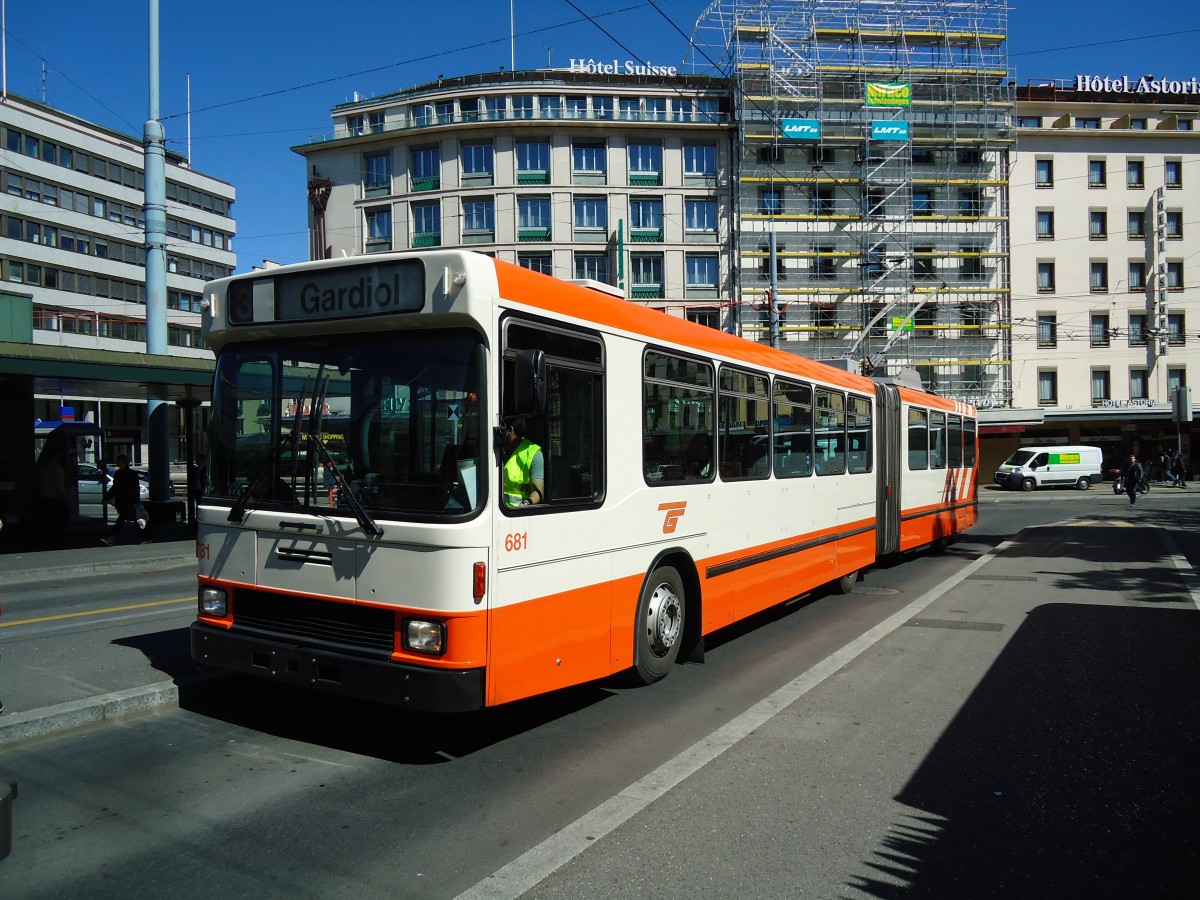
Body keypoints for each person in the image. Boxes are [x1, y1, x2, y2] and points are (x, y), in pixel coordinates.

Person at [502, 418, 544, 507]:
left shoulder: (534, 453)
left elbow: (539, 492)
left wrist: (525, 503)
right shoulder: (499, 451)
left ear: (510, 430)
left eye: (502, 431)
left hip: (517, 512)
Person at [103, 455, 145, 545]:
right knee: (137, 521)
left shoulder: (131, 474)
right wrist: (107, 498)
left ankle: (111, 538)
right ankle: (146, 537)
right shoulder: (118, 473)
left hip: (129, 501)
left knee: (121, 521)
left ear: (124, 463)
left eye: (119, 462)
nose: (117, 464)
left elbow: (135, 488)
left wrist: (135, 501)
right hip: (123, 501)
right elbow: (115, 488)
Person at [187, 452, 207, 524]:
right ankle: (197, 519)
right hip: (197, 490)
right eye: (196, 459)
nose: (196, 461)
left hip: (202, 490)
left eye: (197, 459)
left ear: (202, 460)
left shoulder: (206, 469)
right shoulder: (195, 469)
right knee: (198, 505)